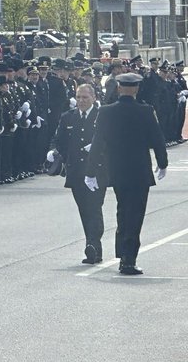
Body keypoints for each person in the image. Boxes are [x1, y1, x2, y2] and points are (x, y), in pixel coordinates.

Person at [85, 72, 168, 275]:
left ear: (119, 88)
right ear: (136, 89)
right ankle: (128, 259)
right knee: (135, 214)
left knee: (123, 211)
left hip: (118, 169)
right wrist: (162, 163)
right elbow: (157, 139)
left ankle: (122, 253)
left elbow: (97, 142)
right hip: (139, 171)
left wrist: (91, 171)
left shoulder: (106, 112)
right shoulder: (146, 111)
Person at [48, 83, 104, 264]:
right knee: (84, 209)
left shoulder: (102, 116)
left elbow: (111, 142)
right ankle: (93, 245)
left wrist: (97, 149)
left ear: (93, 98)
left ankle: (93, 244)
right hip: (76, 172)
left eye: (85, 97)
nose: (81, 101)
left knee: (94, 207)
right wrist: (56, 153)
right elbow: (60, 140)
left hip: (97, 171)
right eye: (78, 97)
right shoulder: (68, 117)